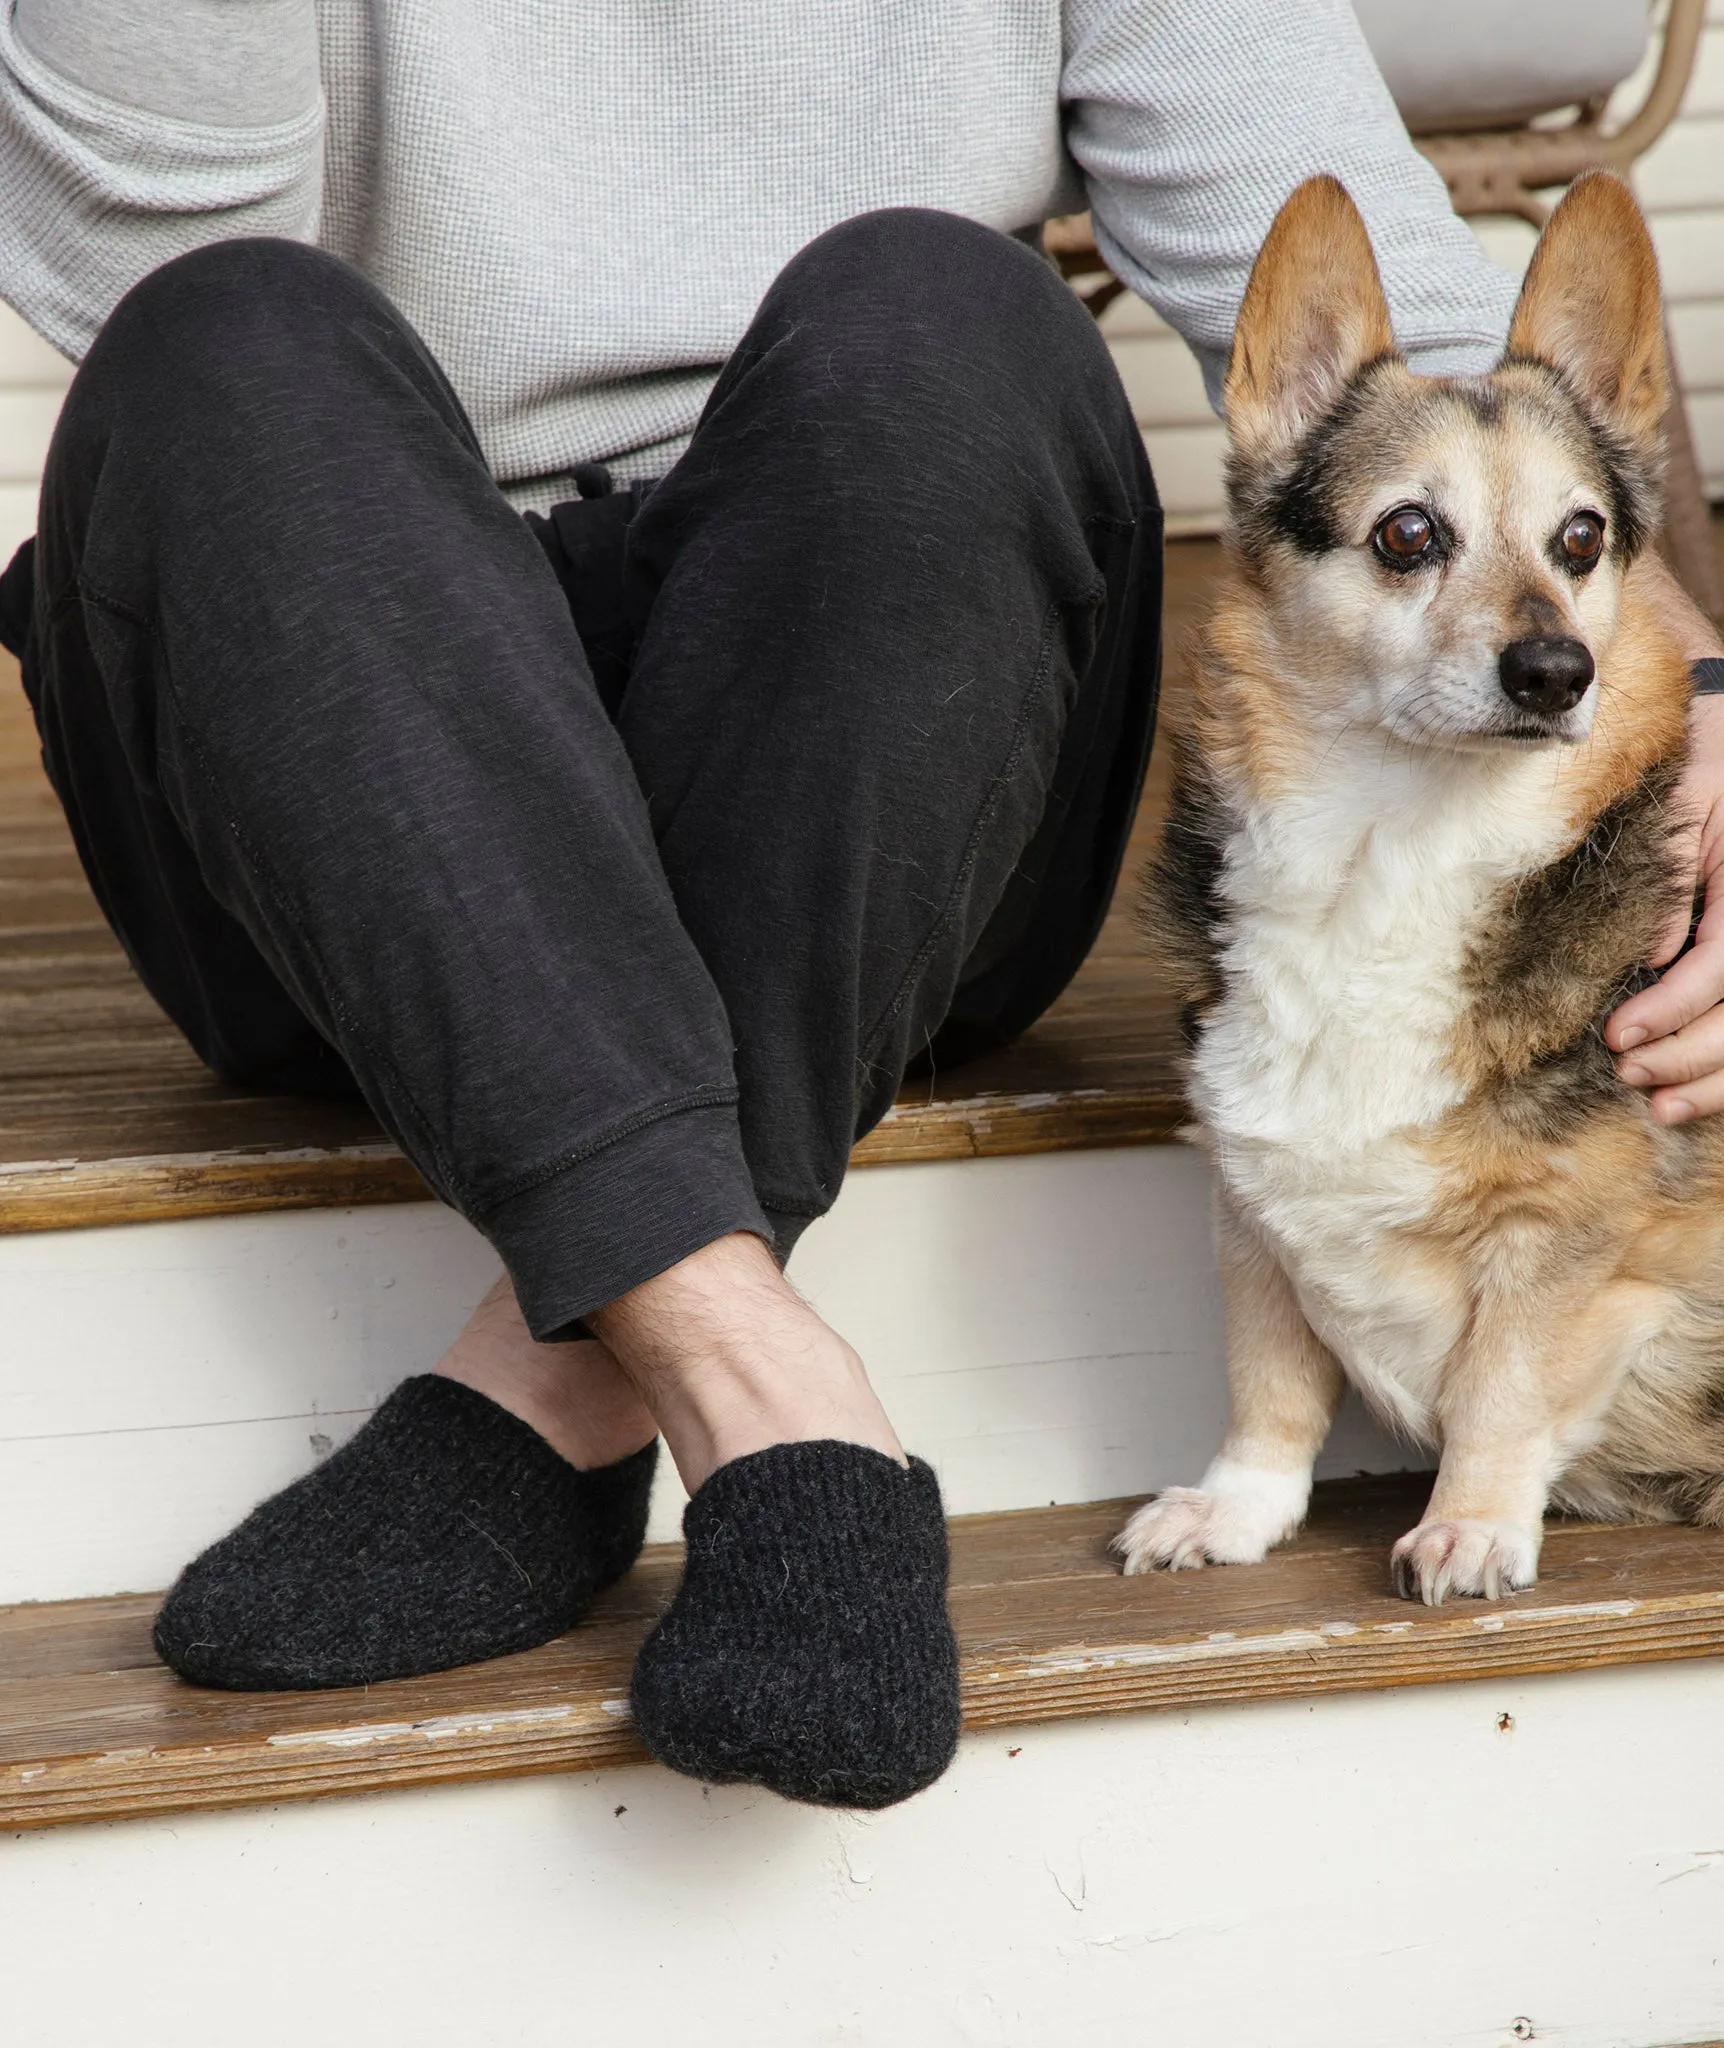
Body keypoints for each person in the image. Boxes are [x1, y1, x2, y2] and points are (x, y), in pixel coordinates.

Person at [0, 0, 1718, 1812]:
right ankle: (755, 1382)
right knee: (223, 330)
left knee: (950, 308)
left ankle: (558, 1372)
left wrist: (1697, 694)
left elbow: (1434, 375)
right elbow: (148, 268)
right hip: (361, 774)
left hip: (884, 730)